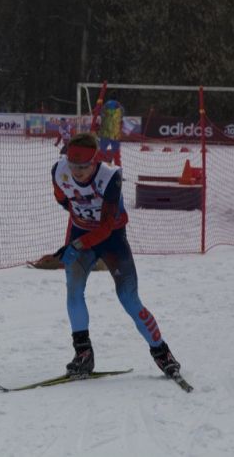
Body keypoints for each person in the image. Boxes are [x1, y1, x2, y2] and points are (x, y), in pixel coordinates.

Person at [50, 132, 182, 378]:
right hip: (81, 234)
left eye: (83, 166)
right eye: (73, 165)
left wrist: (77, 245)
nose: (77, 172)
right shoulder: (59, 171)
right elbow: (63, 200)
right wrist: (78, 232)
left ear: (95, 161)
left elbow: (107, 227)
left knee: (128, 298)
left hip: (111, 239)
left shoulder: (111, 176)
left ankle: (162, 352)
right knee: (74, 291)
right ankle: (83, 354)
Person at [97, 98, 124, 166]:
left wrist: (99, 105)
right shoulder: (119, 113)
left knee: (102, 151)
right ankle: (117, 167)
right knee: (116, 153)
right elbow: (122, 116)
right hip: (115, 134)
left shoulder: (104, 113)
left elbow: (100, 112)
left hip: (105, 133)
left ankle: (101, 165)